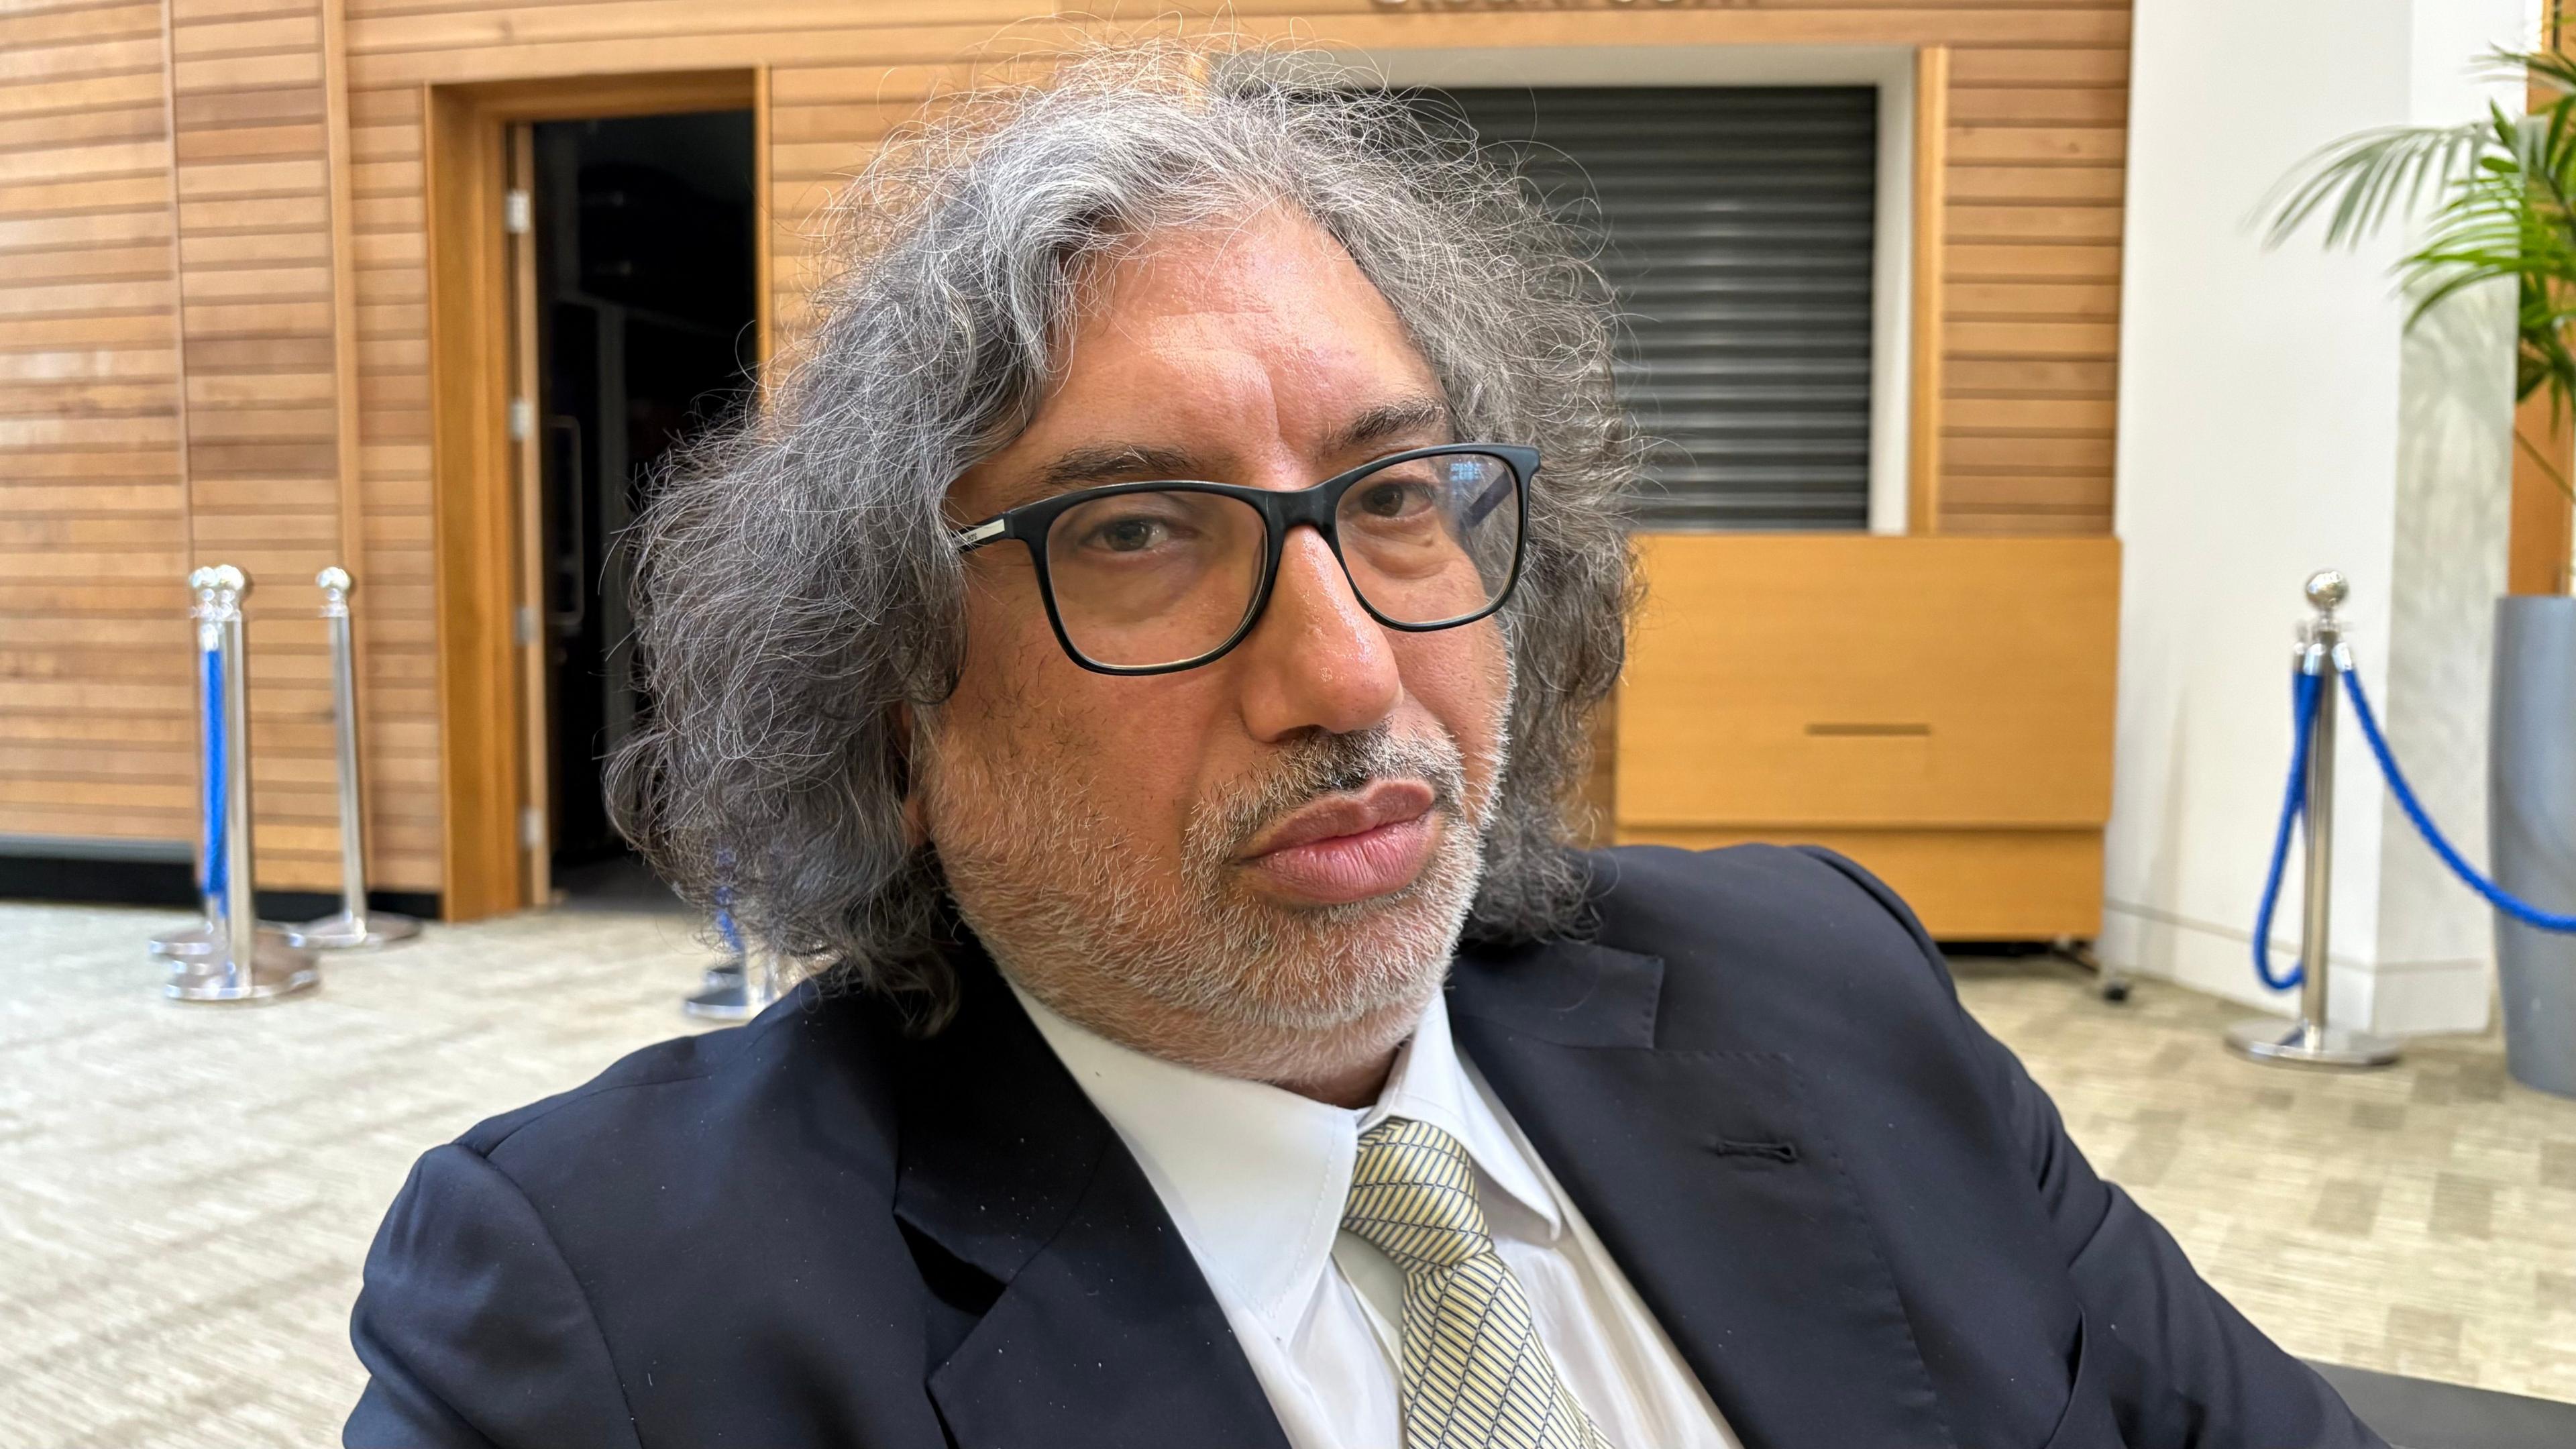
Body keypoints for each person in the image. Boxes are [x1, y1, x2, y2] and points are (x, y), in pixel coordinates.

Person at [344, 45, 2384, 1449]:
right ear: (890, 684)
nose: (1345, 675)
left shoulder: (1826, 990)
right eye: (1138, 534)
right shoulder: (607, 1319)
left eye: (1397, 499)